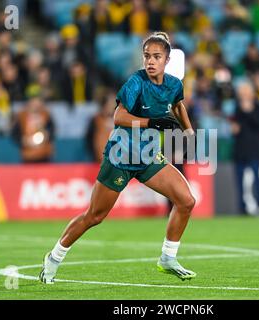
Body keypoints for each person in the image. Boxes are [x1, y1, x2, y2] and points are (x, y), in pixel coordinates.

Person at [39, 32, 197, 284]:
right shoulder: (136, 82)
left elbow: (178, 104)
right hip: (120, 156)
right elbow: (118, 117)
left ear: (167, 60)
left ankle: (168, 257)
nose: (150, 61)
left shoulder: (174, 84)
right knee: (94, 216)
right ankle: (54, 257)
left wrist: (188, 130)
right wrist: (152, 122)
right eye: (147, 56)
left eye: (157, 57)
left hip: (147, 157)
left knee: (186, 200)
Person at [230, 81, 259, 214]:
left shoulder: (258, 108)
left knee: (257, 178)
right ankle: (242, 207)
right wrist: (234, 129)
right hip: (240, 149)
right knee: (239, 180)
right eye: (242, 93)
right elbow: (234, 127)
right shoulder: (236, 108)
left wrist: (249, 111)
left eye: (247, 92)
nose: (244, 95)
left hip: (254, 149)